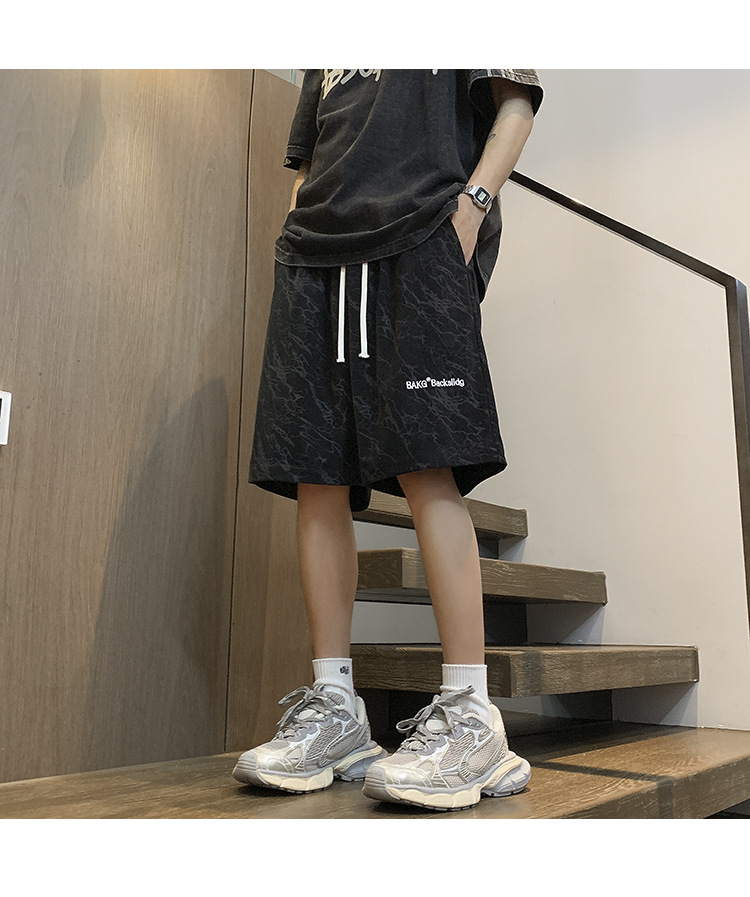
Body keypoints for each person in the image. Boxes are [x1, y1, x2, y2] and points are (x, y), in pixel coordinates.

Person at [234, 68, 544, 811]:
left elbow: (516, 102)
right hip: (314, 257)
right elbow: (310, 158)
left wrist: (472, 207)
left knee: (428, 468)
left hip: (421, 234)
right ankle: (336, 710)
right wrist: (295, 225)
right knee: (315, 476)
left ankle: (472, 716)